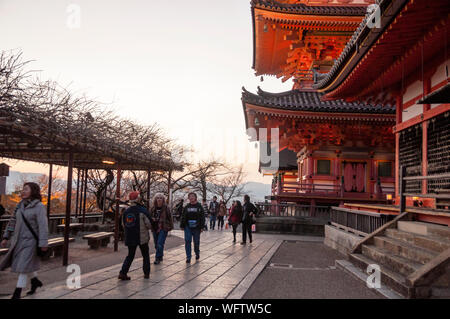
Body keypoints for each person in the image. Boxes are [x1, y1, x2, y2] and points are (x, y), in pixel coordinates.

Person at [0, 182, 48, 299]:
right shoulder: (19, 206)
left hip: (31, 242)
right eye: (23, 189)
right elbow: (12, 221)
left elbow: (43, 226)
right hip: (18, 241)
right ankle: (35, 281)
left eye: (26, 189)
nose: (23, 191)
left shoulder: (39, 207)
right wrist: (6, 236)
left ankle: (17, 293)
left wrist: (43, 243)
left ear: (33, 191)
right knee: (26, 264)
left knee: (23, 266)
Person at [118, 191, 152, 280]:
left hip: (130, 236)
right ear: (138, 199)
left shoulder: (126, 211)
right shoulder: (143, 210)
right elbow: (149, 225)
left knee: (130, 255)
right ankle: (146, 273)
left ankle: (123, 272)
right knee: (145, 255)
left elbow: (123, 224)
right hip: (142, 237)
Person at [180, 192, 205, 263]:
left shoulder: (199, 207)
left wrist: (202, 227)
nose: (191, 198)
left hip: (197, 227)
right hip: (188, 226)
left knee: (196, 242)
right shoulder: (186, 207)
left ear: (195, 197)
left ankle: (197, 252)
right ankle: (188, 257)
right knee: (187, 241)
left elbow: (202, 217)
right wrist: (182, 225)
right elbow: (183, 216)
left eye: (193, 196)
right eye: (190, 196)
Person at [150, 193, 173, 265]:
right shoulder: (153, 208)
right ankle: (160, 255)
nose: (159, 199)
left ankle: (157, 258)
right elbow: (149, 217)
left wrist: (169, 227)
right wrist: (152, 220)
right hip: (155, 227)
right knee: (156, 244)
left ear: (163, 200)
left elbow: (170, 218)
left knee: (160, 243)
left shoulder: (166, 208)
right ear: (155, 199)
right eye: (157, 198)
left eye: (160, 198)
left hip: (163, 227)